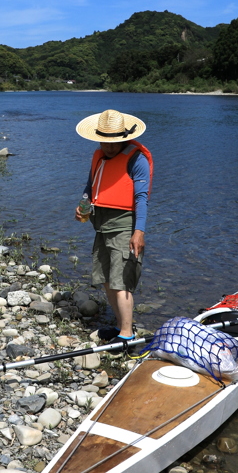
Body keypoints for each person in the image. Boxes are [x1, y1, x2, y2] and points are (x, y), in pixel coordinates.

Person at [75, 108, 153, 343]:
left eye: (114, 142)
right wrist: (82, 206)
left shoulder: (136, 159)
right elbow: (90, 186)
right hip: (101, 226)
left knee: (122, 283)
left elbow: (141, 199)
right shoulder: (98, 155)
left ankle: (127, 337)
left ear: (125, 137)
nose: (108, 146)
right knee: (107, 279)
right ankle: (121, 327)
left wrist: (139, 232)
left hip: (124, 227)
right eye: (104, 141)